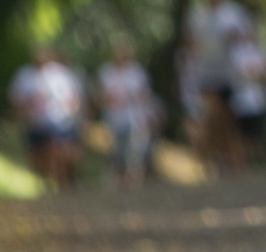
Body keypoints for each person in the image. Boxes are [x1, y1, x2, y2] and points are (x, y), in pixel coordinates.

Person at [183, 0, 252, 171]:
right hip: (206, 73)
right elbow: (190, 43)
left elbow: (247, 38)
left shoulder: (234, 13)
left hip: (229, 73)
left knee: (227, 119)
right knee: (212, 113)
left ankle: (230, 157)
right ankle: (212, 157)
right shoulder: (197, 15)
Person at [8, 44, 86, 186]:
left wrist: (73, 115)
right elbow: (15, 99)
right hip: (34, 123)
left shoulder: (61, 74)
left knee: (57, 149)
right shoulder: (24, 75)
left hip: (59, 123)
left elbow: (73, 98)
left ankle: (61, 182)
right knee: (37, 155)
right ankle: (45, 180)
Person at [96, 40, 158, 188]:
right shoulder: (107, 72)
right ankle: (120, 177)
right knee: (117, 149)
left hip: (135, 117)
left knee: (134, 149)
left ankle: (134, 178)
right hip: (114, 117)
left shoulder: (137, 72)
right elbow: (101, 95)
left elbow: (145, 94)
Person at [228, 29, 266, 165]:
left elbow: (265, 71)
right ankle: (243, 162)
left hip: (257, 100)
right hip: (240, 101)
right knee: (240, 132)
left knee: (257, 133)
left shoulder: (260, 50)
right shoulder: (234, 52)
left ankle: (258, 161)